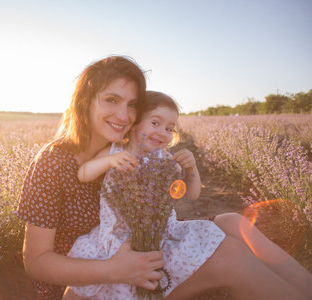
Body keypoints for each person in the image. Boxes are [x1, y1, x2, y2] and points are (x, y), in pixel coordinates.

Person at [17, 56, 312, 300]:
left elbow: (170, 197)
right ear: (84, 101)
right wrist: (115, 270)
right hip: (93, 276)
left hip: (139, 248)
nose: (124, 115)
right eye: (111, 99)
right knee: (231, 255)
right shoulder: (54, 162)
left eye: (132, 104)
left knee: (231, 222)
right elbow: (36, 263)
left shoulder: (136, 151)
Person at [65, 91, 226, 299]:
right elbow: (83, 174)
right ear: (134, 123)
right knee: (81, 287)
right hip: (116, 235)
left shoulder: (165, 159)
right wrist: (108, 162)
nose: (163, 132)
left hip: (157, 237)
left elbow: (192, 195)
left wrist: (191, 168)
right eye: (155, 123)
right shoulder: (115, 151)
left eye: (169, 128)